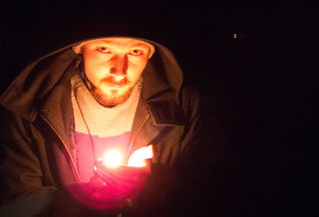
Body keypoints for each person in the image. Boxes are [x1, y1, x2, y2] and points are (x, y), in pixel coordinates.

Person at [0, 36, 227, 216]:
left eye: (135, 52)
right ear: (81, 49)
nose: (120, 70)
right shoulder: (30, 109)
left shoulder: (184, 106)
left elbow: (213, 190)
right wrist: (87, 200)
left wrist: (155, 186)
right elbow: (14, 203)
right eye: (104, 49)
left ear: (150, 55)